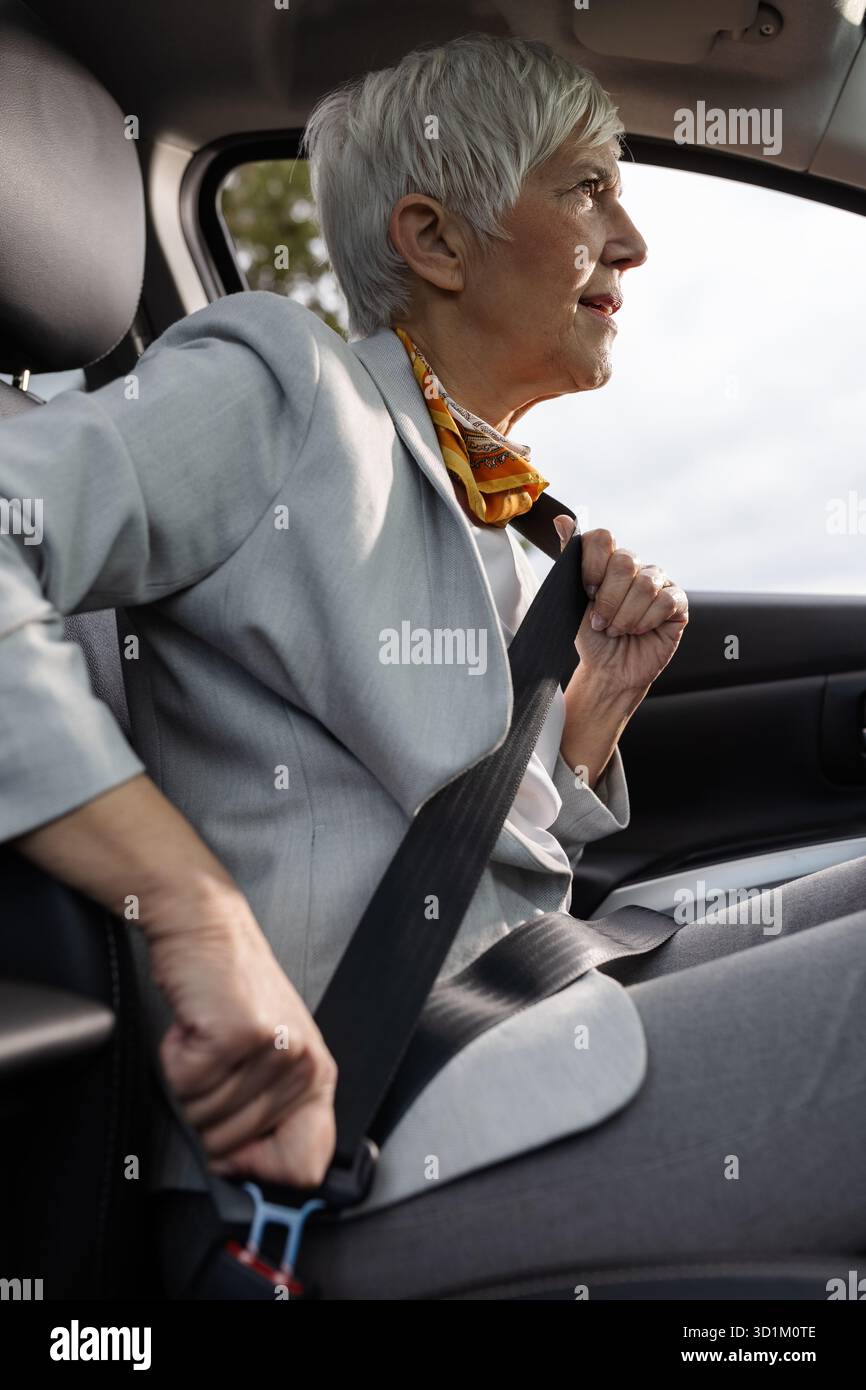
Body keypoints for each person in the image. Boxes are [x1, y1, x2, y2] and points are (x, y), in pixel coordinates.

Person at [1, 34, 864, 1298]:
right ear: (436, 240)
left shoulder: (511, 522)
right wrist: (192, 910)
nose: (630, 241)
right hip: (337, 1138)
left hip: (516, 1008)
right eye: (585, 189)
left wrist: (587, 719)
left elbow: (463, 861)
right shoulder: (280, 383)